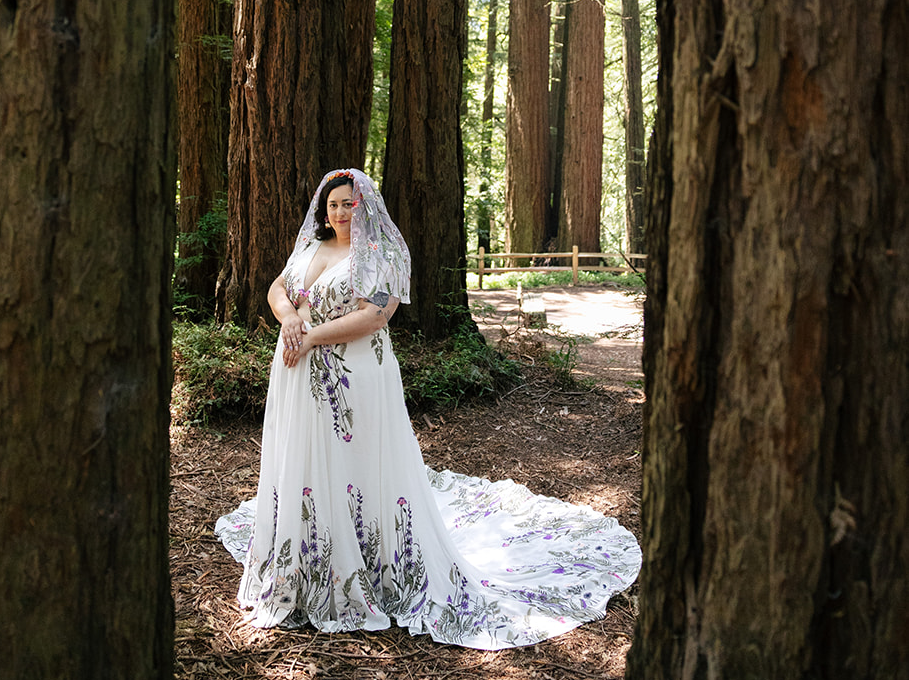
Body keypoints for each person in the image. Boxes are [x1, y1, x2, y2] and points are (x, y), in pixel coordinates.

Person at [216, 167, 641, 648]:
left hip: (352, 374)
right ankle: (305, 566)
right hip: (297, 370)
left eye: (348, 204)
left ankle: (363, 568)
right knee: (308, 464)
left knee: (348, 463)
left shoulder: (381, 254)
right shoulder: (311, 247)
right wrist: (290, 316)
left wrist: (310, 336)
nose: (340, 212)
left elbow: (376, 315)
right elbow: (276, 288)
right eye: (333, 204)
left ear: (365, 205)